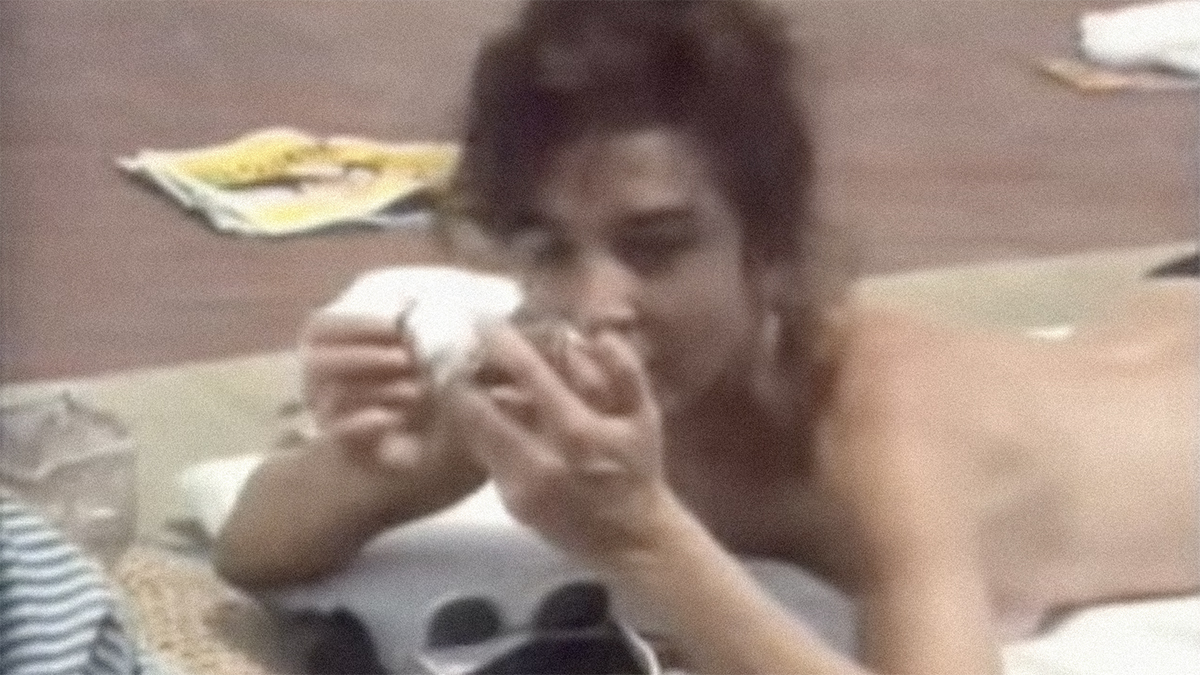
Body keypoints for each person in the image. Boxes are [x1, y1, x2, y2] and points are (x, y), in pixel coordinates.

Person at [214, 2, 1199, 673]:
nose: (594, 305)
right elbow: (252, 549)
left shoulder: (876, 421)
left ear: (767, 248)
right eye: (549, 248)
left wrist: (646, 541)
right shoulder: (546, 371)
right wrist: (355, 467)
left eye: (655, 247)